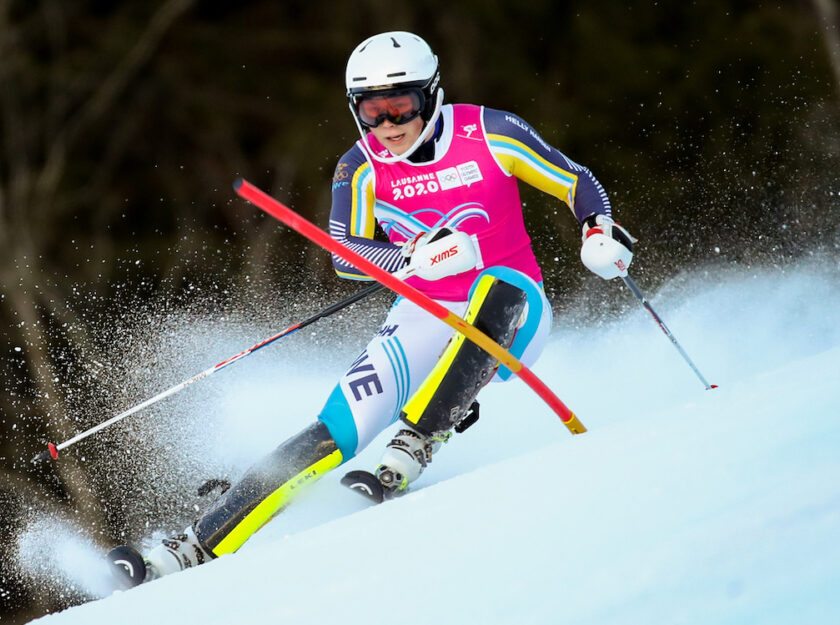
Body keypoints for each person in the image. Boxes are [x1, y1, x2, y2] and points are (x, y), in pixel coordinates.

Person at [109, 30, 636, 585]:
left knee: (497, 285)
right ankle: (191, 548)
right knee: (337, 429)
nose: (387, 125)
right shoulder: (359, 167)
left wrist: (597, 231)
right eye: (371, 111)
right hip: (422, 312)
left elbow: (574, 179)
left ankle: (419, 438)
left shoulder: (490, 131)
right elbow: (345, 253)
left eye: (399, 106)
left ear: (431, 94)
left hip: (516, 311)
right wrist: (412, 258)